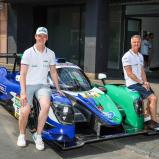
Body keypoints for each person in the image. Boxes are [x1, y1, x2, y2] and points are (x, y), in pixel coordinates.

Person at [17, 27, 62, 150]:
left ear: (47, 38)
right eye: (39, 35)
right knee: (25, 111)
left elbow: (53, 72)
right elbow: (23, 74)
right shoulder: (28, 53)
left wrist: (58, 88)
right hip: (28, 85)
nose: (42, 38)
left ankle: (38, 135)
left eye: (44, 36)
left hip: (43, 85)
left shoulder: (51, 53)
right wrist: (23, 92)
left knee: (46, 106)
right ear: (35, 37)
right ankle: (21, 135)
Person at [122, 35, 159, 130]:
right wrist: (142, 82)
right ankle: (154, 123)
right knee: (153, 98)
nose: (136, 44)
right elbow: (130, 74)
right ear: (131, 43)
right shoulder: (127, 56)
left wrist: (146, 82)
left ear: (140, 44)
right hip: (132, 84)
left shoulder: (140, 56)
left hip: (140, 82)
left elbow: (142, 71)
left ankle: (147, 116)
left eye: (138, 42)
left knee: (154, 97)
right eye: (134, 42)